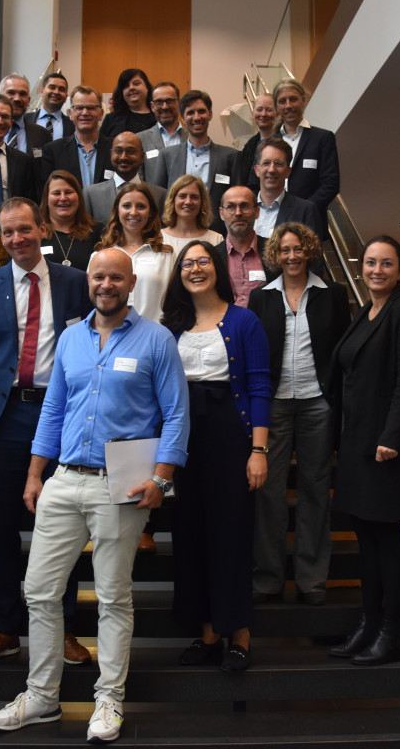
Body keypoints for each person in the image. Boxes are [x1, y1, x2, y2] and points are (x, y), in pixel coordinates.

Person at [0, 247, 189, 743]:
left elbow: (177, 415)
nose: (106, 285)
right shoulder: (72, 339)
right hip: (63, 479)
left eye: (115, 278)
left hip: (120, 484)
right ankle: (42, 698)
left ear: (130, 282)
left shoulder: (156, 339)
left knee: (114, 597)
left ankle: (109, 699)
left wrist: (162, 480)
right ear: (89, 281)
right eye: (98, 276)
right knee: (39, 592)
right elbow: (52, 410)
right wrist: (36, 475)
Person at [0, 197, 95, 668]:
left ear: (41, 228)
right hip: (4, 420)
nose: (17, 239)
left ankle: (62, 631)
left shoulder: (75, 283)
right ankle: (4, 628)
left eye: (24, 229)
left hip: (61, 417)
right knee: (1, 530)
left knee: (63, 527)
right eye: (8, 233)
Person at [161, 240, 272, 673]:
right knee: (190, 536)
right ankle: (207, 633)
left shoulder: (245, 322)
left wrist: (258, 450)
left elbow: (260, 387)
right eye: (186, 264)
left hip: (230, 434)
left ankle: (239, 635)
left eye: (203, 261)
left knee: (231, 534)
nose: (195, 269)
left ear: (217, 267)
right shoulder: (170, 326)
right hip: (184, 437)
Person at [329, 235, 400, 666]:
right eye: (370, 262)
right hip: (356, 444)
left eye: (386, 264)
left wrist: (393, 437)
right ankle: (368, 624)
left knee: (386, 540)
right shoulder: (365, 312)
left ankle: (392, 632)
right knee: (365, 540)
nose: (377, 270)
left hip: (386, 447)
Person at [248, 223, 350, 606]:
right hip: (273, 404)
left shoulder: (333, 295)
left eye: (298, 249)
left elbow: (342, 352)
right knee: (269, 494)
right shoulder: (261, 298)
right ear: (276, 254)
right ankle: (268, 578)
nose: (292, 256)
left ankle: (312, 580)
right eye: (285, 250)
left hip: (317, 404)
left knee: (315, 491)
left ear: (309, 251)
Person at [149, 90, 239, 226]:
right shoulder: (167, 156)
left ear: (210, 114)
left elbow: (236, 199)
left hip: (216, 234)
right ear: (183, 118)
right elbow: (158, 199)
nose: (196, 117)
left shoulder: (230, 157)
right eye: (190, 112)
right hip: (176, 232)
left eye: (201, 111)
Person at [93, 181, 176, 322]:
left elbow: (175, 302)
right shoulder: (100, 255)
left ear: (150, 213)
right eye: (126, 206)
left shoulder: (166, 255)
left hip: (154, 337)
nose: (133, 212)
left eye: (141, 207)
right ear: (117, 210)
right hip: (113, 337)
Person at [268, 78, 340, 216]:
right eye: (282, 101)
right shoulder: (268, 144)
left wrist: (305, 208)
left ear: (303, 100)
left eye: (293, 99)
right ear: (277, 107)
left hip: (309, 219)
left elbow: (331, 184)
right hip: (273, 218)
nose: (288, 105)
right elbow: (254, 183)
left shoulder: (323, 138)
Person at [210, 186, 276, 308]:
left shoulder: (274, 251)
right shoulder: (212, 257)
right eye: (231, 207)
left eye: (245, 206)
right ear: (221, 213)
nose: (238, 213)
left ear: (257, 211)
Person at [251, 137, 326, 242]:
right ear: (257, 170)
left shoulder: (305, 211)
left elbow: (313, 256)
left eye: (278, 163)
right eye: (266, 163)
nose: (272, 169)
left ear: (288, 171)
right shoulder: (242, 209)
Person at [41, 86, 114, 190]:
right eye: (79, 108)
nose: (84, 113)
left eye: (91, 108)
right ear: (70, 113)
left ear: (101, 114)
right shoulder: (53, 151)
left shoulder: (115, 148)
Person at [84, 131, 167, 221]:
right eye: (118, 151)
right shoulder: (91, 195)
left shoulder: (160, 195)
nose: (123, 157)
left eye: (130, 152)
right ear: (111, 154)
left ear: (142, 156)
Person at [39, 170, 104, 271]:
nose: (63, 198)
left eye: (68, 192)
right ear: (46, 199)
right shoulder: (36, 233)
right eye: (56, 193)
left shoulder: (98, 232)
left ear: (79, 197)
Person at [161, 174, 223, 256]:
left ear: (202, 202)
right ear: (173, 200)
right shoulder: (159, 238)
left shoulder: (216, 239)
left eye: (194, 197)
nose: (188, 202)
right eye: (182, 196)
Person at [0, 72, 53, 155]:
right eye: (11, 93)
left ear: (28, 100)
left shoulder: (42, 134)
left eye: (22, 94)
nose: (17, 99)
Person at [233, 92, 278, 190]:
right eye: (259, 109)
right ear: (253, 113)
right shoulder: (249, 147)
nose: (263, 114)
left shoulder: (283, 143)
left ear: (277, 113)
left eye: (269, 110)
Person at [100, 67, 156, 138]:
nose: (131, 88)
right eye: (126, 86)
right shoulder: (111, 119)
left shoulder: (158, 117)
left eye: (136, 83)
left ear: (147, 87)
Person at [136, 81, 184, 152]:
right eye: (159, 102)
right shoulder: (139, 139)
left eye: (169, 101)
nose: (165, 107)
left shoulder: (193, 137)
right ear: (152, 106)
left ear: (179, 103)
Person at [24, 71, 74, 140]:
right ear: (42, 91)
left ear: (66, 97)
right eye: (52, 87)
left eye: (61, 89)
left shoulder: (73, 125)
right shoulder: (24, 120)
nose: (56, 92)